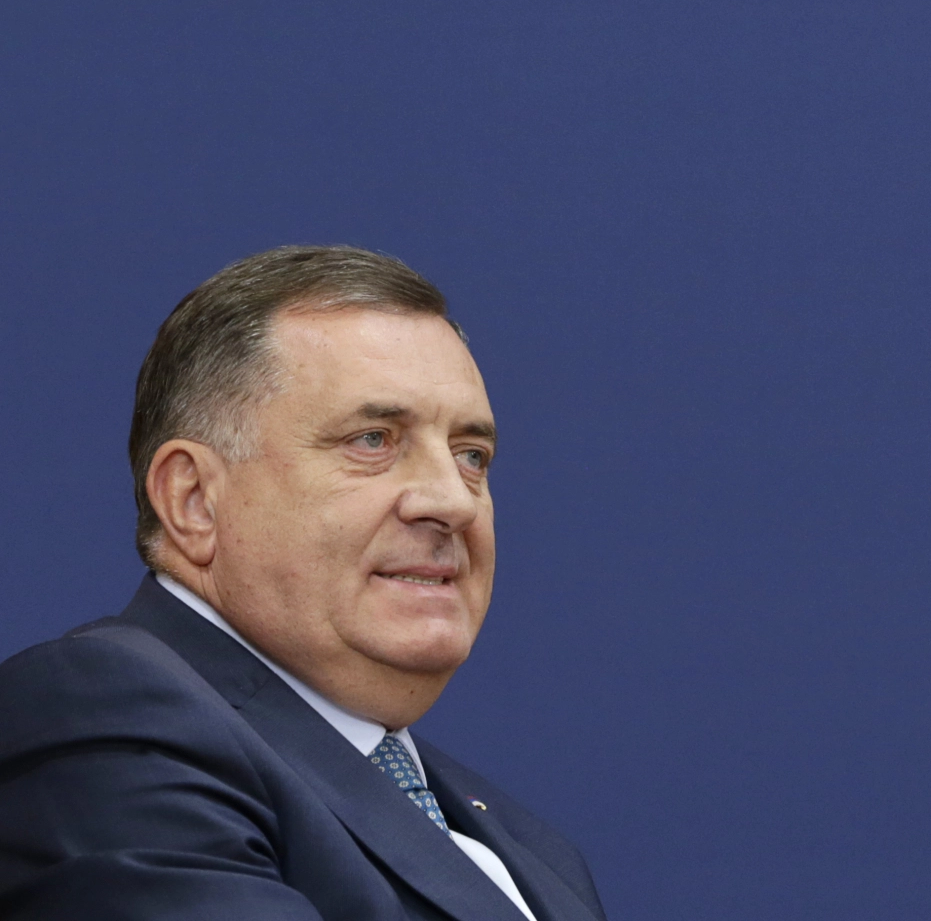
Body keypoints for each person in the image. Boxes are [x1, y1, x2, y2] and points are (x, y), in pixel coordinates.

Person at [0, 246, 605, 921]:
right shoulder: (105, 723)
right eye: (373, 440)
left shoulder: (536, 853)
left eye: (471, 456)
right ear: (194, 500)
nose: (453, 502)